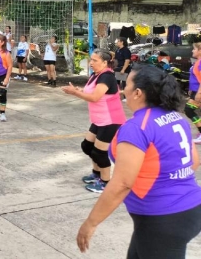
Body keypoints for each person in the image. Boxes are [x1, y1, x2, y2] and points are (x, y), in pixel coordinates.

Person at [76, 67, 201, 258]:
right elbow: (194, 161)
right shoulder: (176, 118)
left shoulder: (136, 128)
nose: (123, 88)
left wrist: (90, 223)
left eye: (127, 83)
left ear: (137, 93)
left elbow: (122, 184)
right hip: (190, 208)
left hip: (162, 219)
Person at [61, 50, 126, 193]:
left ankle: (105, 182)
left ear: (104, 63)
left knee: (99, 153)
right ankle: (96, 174)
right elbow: (89, 91)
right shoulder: (96, 75)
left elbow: (95, 97)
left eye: (95, 60)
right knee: (87, 146)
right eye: (91, 59)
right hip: (99, 119)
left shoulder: (107, 76)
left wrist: (75, 93)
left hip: (111, 120)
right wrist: (77, 89)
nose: (91, 62)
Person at [185, 42, 201, 144]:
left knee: (189, 110)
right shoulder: (198, 62)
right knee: (189, 110)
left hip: (198, 91)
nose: (192, 50)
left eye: (194, 49)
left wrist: (199, 93)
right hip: (195, 91)